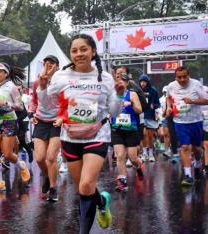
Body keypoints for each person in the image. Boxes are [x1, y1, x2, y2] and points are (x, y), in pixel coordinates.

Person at [47, 34, 124, 233]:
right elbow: (50, 103)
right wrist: (42, 86)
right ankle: (101, 201)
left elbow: (114, 112)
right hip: (70, 137)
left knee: (85, 185)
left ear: (93, 51)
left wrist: (121, 94)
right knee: (85, 187)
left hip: (97, 136)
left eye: (84, 49)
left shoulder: (105, 78)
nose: (79, 54)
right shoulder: (60, 77)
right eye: (74, 50)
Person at [0, 62, 31, 193]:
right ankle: (0, 182)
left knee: (7, 154)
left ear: (6, 74)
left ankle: (22, 166)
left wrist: (9, 105)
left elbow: (20, 106)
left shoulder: (12, 87)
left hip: (9, 121)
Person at [166, 66, 208, 186]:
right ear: (176, 77)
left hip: (196, 121)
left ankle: (198, 162)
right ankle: (188, 175)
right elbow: (168, 97)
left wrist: (193, 101)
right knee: (185, 147)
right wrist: (169, 107)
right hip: (180, 122)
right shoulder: (171, 86)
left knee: (197, 149)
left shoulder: (196, 85)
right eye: (179, 77)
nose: (182, 79)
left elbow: (206, 101)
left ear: (188, 75)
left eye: (184, 76)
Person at [28, 55, 61, 201]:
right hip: (41, 121)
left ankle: (53, 188)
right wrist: (31, 114)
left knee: (51, 157)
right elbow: (33, 102)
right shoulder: (37, 83)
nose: (48, 66)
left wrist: (63, 118)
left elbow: (67, 103)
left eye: (52, 64)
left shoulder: (62, 83)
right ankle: (47, 176)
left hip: (56, 122)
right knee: (40, 158)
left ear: (57, 67)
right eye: (46, 63)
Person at [111, 72, 144, 192]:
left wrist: (131, 103)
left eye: (122, 81)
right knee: (120, 156)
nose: (119, 82)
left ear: (127, 83)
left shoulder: (132, 94)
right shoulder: (112, 94)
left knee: (133, 158)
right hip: (117, 129)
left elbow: (139, 110)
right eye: (117, 80)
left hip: (131, 130)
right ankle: (123, 182)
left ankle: (138, 168)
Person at [139, 74, 160, 162]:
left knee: (150, 136)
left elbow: (158, 104)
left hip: (150, 115)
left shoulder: (153, 91)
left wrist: (153, 105)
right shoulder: (138, 90)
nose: (143, 84)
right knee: (143, 135)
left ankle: (151, 153)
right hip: (141, 115)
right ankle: (144, 153)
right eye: (141, 82)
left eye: (144, 82)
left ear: (148, 82)